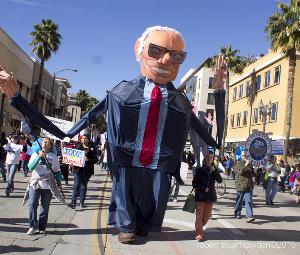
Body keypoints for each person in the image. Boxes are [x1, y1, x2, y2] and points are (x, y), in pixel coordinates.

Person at [0, 26, 226, 244]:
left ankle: (143, 224)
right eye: (156, 50)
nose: (166, 60)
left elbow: (214, 141)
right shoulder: (121, 93)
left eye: (177, 56)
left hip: (160, 164)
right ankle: (126, 225)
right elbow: (68, 132)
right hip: (127, 160)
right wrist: (17, 98)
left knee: (150, 206)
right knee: (125, 198)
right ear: (140, 49)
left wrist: (219, 93)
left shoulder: (181, 103)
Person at [26, 137, 62, 235]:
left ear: (50, 146)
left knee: (45, 206)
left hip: (47, 185)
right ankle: (32, 226)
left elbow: (57, 172)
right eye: (43, 142)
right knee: (32, 204)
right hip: (35, 183)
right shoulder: (35, 154)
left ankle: (42, 227)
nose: (44, 143)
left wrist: (59, 183)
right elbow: (30, 168)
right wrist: (39, 157)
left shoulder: (53, 157)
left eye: (47, 142)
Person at [192, 153, 222, 241]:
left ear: (213, 160)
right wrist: (203, 188)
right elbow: (194, 183)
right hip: (200, 196)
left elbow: (220, 180)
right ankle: (199, 234)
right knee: (199, 216)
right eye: (208, 158)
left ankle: (199, 226)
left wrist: (215, 170)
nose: (209, 159)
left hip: (210, 197)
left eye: (211, 158)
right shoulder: (199, 170)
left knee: (206, 216)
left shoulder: (214, 169)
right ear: (205, 159)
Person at [68, 130, 97, 209]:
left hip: (87, 171)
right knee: (76, 185)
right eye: (83, 138)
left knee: (83, 186)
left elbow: (96, 160)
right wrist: (71, 163)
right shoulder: (77, 146)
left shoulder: (92, 148)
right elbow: (72, 157)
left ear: (88, 139)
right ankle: (73, 202)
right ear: (81, 139)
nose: (84, 140)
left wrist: (88, 159)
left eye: (86, 138)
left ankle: (82, 201)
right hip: (78, 170)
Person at [233, 151, 256, 223]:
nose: (246, 157)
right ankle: (237, 212)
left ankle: (250, 216)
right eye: (245, 156)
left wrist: (255, 169)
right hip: (241, 185)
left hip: (248, 186)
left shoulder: (250, 164)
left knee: (248, 201)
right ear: (242, 156)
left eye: (247, 156)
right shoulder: (239, 163)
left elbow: (253, 174)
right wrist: (246, 165)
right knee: (239, 201)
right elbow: (240, 171)